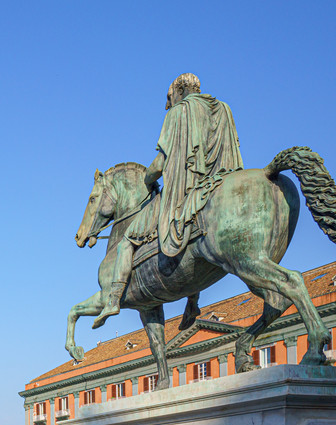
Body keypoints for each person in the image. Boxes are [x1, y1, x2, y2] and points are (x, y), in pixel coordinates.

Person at [94, 73, 243, 329]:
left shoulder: (178, 113)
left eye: (170, 97)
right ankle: (192, 302)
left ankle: (113, 299)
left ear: (179, 90)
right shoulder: (223, 109)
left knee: (128, 241)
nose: (169, 102)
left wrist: (148, 180)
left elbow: (160, 164)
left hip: (186, 189)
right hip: (218, 183)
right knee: (195, 242)